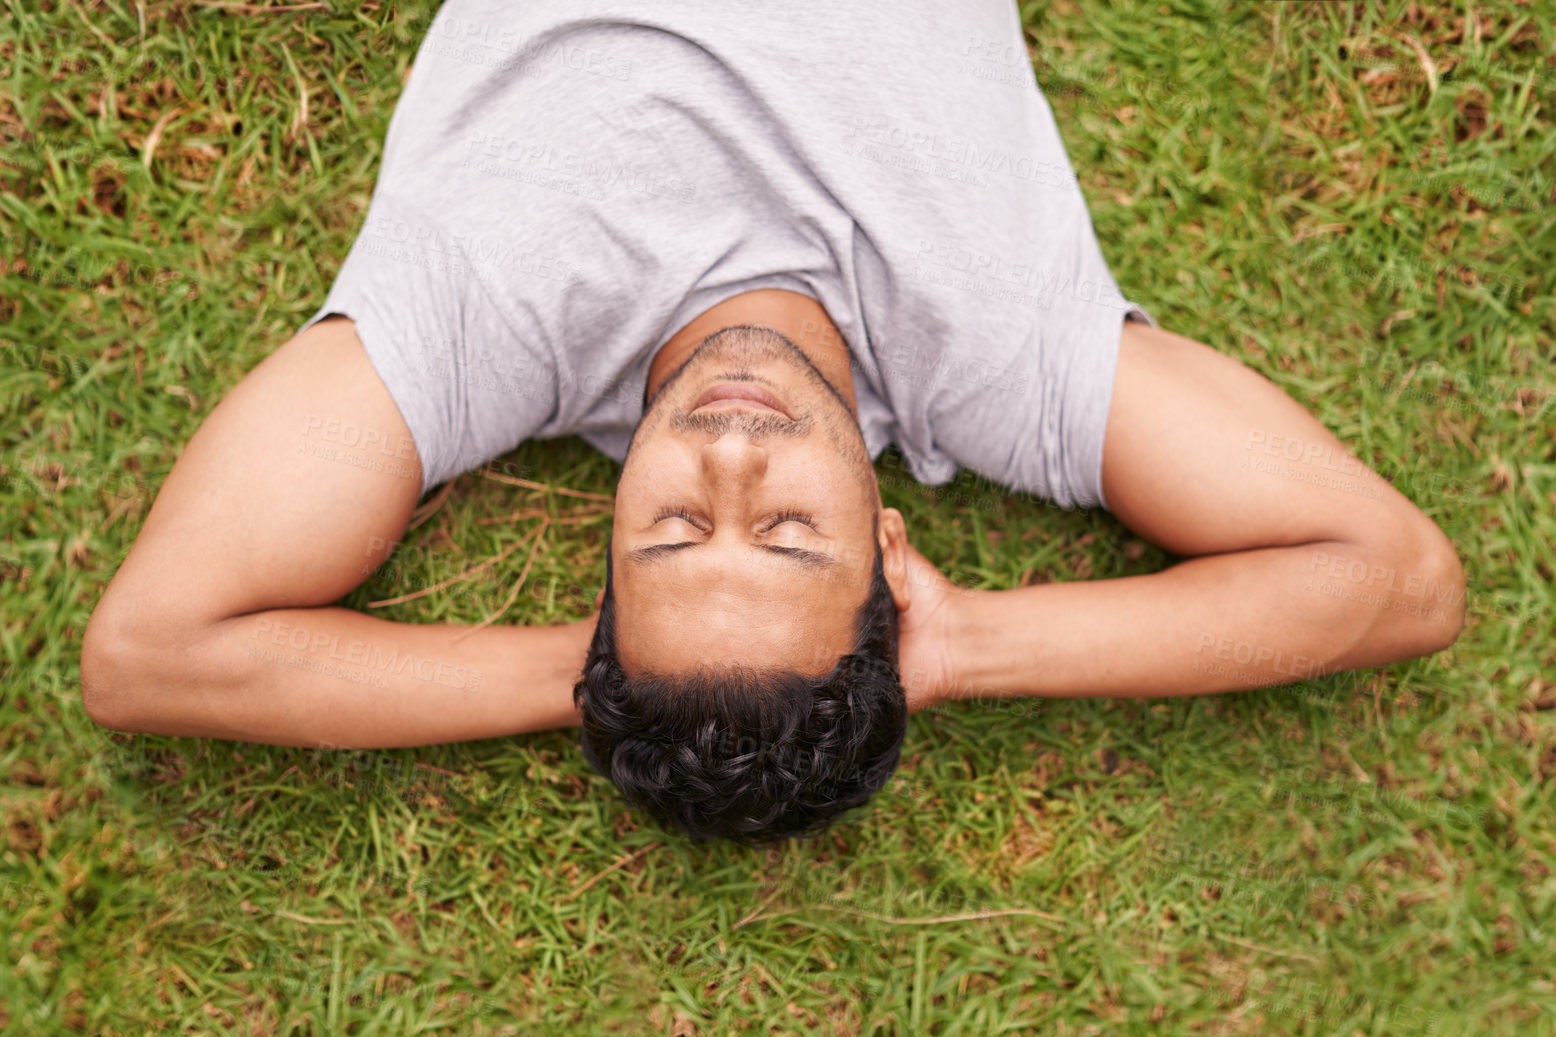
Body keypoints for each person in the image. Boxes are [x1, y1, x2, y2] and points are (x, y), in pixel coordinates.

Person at [81, 1, 1465, 843]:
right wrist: (972, 647)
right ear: (891, 544)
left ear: (606, 550)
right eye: (792, 530)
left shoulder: (477, 330)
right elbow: (1399, 582)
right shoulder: (998, 360)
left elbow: (150, 656)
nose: (733, 454)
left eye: (678, 527)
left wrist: (598, 674)